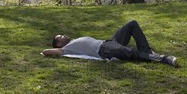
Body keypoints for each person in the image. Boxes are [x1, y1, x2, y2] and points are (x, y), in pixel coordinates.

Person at [42, 19, 178, 67]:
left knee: (132, 24)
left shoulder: (72, 42)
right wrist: (43, 52)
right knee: (133, 53)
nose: (64, 35)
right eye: (61, 36)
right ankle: (164, 59)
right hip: (105, 50)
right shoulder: (66, 49)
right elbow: (47, 52)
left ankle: (147, 51)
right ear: (59, 43)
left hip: (109, 42)